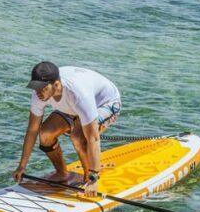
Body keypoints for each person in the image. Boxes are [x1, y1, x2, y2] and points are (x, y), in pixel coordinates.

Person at [12, 62, 121, 198]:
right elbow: (32, 130)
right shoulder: (39, 95)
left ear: (56, 84)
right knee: (45, 134)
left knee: (78, 137)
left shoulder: (79, 94)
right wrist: (21, 166)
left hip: (105, 102)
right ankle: (62, 173)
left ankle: (89, 179)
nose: (38, 92)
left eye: (42, 88)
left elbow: (93, 139)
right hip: (73, 107)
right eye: (35, 87)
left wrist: (94, 177)